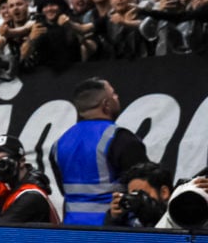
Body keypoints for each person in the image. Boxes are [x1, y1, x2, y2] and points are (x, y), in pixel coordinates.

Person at [51, 78, 149, 225]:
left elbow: (65, 191)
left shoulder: (58, 144)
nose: (117, 97)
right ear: (106, 105)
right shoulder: (121, 139)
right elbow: (145, 189)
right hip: (112, 231)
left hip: (71, 231)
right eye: (114, 94)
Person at [103, 162, 173, 228]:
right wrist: (114, 219)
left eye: (143, 195)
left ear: (164, 192)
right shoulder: (131, 220)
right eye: (133, 196)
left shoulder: (179, 219)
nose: (138, 201)